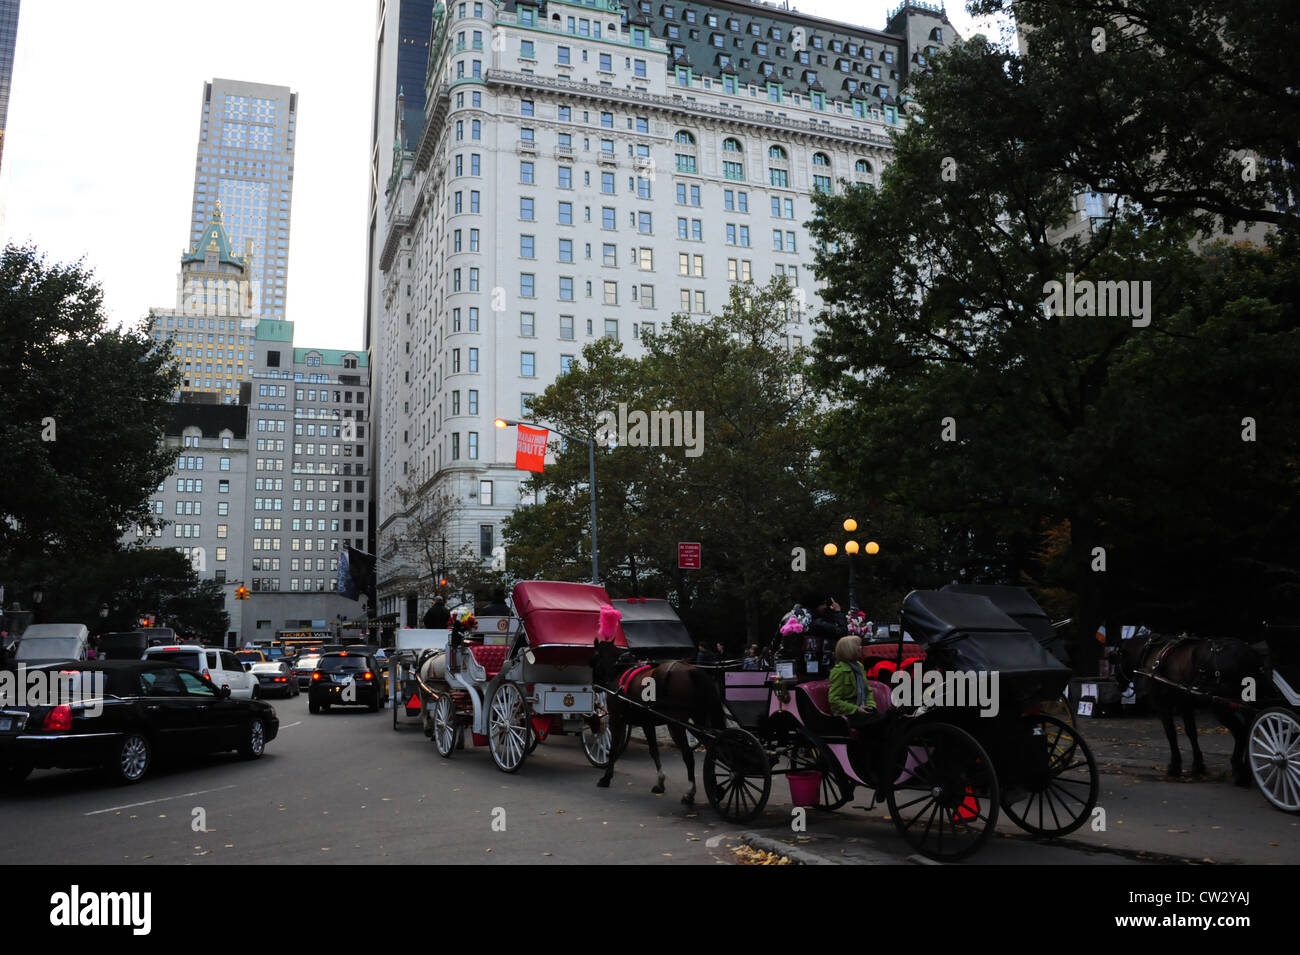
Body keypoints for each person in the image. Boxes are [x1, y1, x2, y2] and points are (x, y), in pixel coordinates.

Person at [828, 635, 883, 730]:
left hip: (863, 709)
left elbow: (868, 691)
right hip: (848, 713)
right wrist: (856, 709)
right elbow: (834, 701)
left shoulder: (859, 667)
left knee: (887, 720)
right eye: (857, 645)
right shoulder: (839, 671)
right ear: (849, 649)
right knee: (881, 721)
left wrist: (870, 705)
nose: (861, 648)